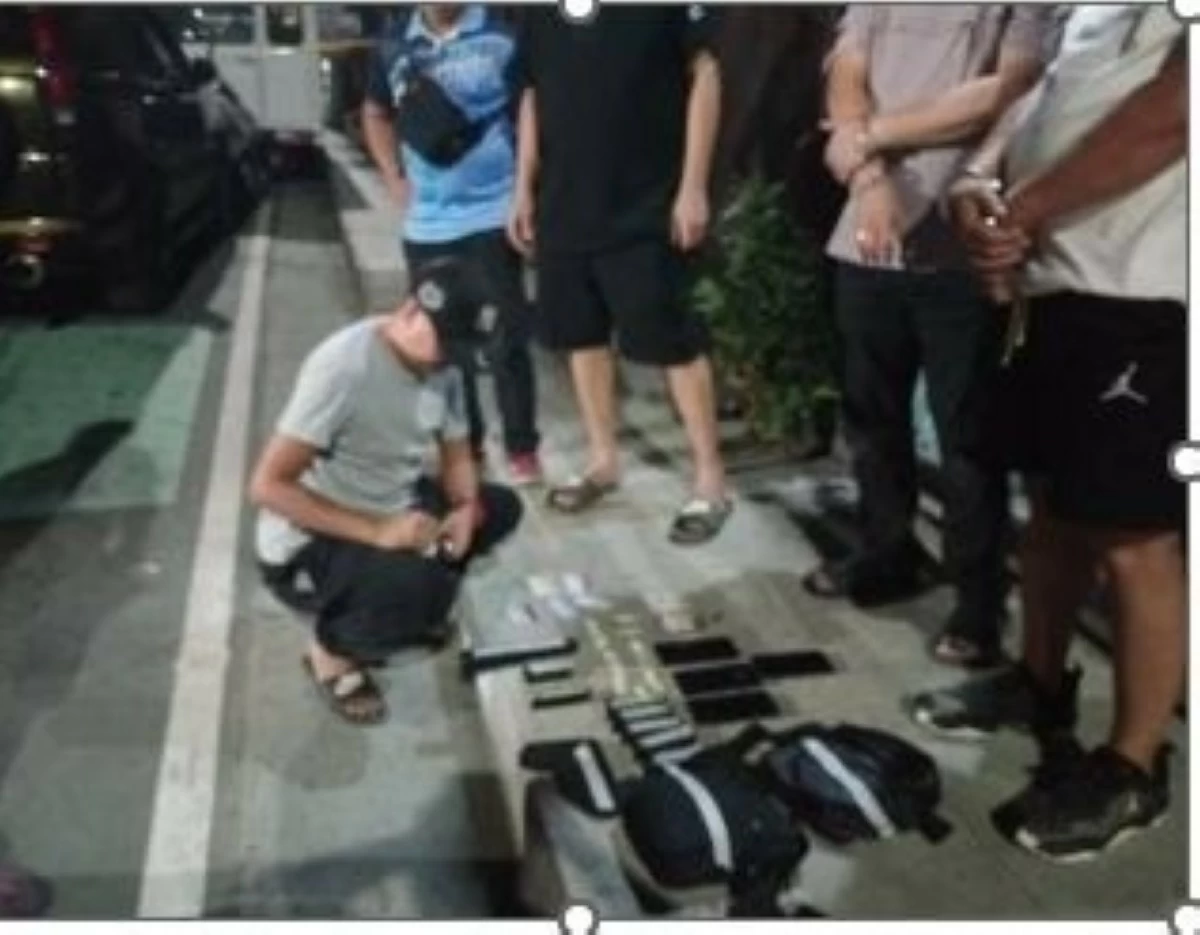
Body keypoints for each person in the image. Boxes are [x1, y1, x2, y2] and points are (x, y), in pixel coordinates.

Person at [908, 5, 1186, 862]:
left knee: (1136, 538)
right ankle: (1039, 682)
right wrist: (976, 181)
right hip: (1050, 287)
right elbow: (1049, 92)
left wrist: (1020, 210)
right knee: (1053, 509)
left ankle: (1134, 764)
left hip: (1137, 295)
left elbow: (1176, 110)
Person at [805, 5, 1059, 668]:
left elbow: (1011, 89)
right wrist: (867, 177)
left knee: (968, 439)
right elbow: (846, 73)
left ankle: (979, 603)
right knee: (871, 419)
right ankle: (889, 553)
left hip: (960, 243)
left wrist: (867, 136)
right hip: (865, 233)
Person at [250, 258, 524, 725]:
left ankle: (406, 592)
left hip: (394, 501)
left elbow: (457, 454)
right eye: (446, 344)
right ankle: (331, 652)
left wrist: (463, 508)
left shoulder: (445, 366)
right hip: (316, 533)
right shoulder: (344, 369)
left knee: (499, 508)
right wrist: (379, 532)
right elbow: (268, 486)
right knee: (410, 591)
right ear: (412, 310)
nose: (449, 360)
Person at [507, 6, 733, 546]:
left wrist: (694, 186)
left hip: (647, 202)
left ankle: (710, 478)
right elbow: (532, 95)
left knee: (674, 342)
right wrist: (522, 189)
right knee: (581, 338)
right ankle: (603, 460)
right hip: (565, 202)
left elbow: (705, 74)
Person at [361, 4, 542, 486]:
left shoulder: (501, 37)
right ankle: (468, 447)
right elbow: (376, 112)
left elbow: (528, 108)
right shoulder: (395, 47)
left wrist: (523, 191)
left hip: (493, 213)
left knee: (507, 339)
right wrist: (392, 175)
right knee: (444, 346)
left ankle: (522, 447)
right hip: (428, 225)